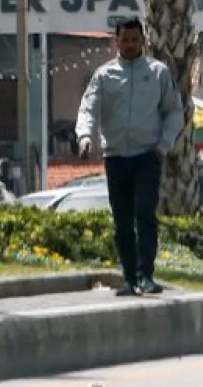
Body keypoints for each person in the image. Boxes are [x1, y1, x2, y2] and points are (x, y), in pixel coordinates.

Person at [75, 17, 185, 297]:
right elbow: (89, 108)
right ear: (117, 41)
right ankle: (129, 279)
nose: (130, 44)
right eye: (125, 40)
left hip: (148, 155)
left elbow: (174, 111)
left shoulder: (158, 73)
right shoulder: (104, 76)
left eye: (135, 39)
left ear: (143, 41)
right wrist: (85, 137)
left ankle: (145, 275)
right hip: (116, 157)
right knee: (122, 221)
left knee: (145, 213)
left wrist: (163, 145)